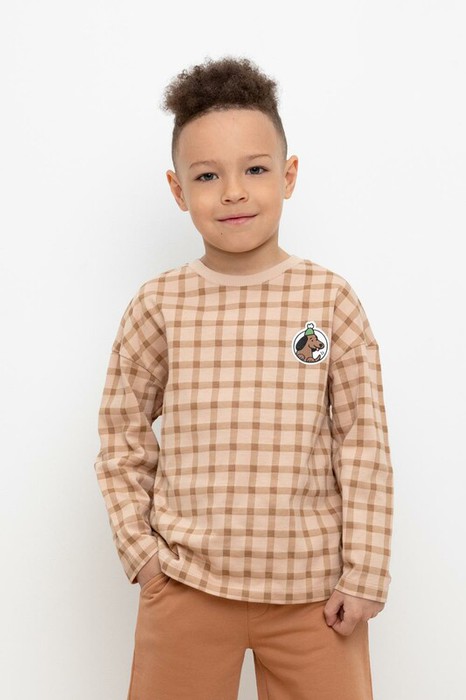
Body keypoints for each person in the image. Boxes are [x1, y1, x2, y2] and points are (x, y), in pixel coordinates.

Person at [94, 55, 394, 700]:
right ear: (179, 190)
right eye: (207, 175)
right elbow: (121, 436)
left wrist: (366, 570)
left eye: (254, 169)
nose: (232, 191)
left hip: (315, 596)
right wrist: (143, 556)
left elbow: (363, 441)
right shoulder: (160, 304)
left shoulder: (330, 299)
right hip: (186, 586)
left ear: (288, 176)